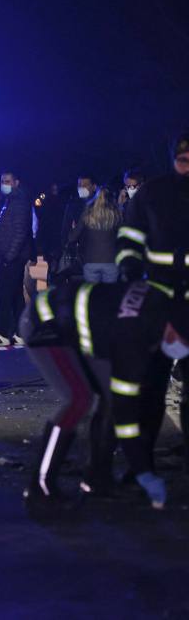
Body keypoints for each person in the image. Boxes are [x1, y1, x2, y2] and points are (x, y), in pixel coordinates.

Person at [20, 281, 189, 510]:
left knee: (108, 399)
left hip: (77, 324)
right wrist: (144, 473)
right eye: (182, 341)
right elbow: (125, 414)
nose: (180, 349)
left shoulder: (161, 304)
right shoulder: (134, 337)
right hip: (46, 324)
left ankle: (97, 480)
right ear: (171, 327)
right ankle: (40, 486)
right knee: (79, 399)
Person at [115, 132, 189, 475]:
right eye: (183, 160)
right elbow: (129, 237)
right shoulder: (153, 194)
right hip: (160, 304)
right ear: (172, 159)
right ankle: (140, 464)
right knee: (152, 386)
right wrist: (130, 268)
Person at [0, 172, 32, 347]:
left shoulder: (18, 203)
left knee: (3, 295)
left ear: (16, 182)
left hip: (12, 258)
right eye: (2, 181)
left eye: (8, 181)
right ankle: (21, 334)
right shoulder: (10, 200)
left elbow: (20, 232)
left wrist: (10, 255)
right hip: (9, 257)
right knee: (16, 296)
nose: (4, 184)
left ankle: (3, 334)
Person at [67, 188, 121, 283]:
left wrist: (71, 229)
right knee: (110, 291)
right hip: (111, 260)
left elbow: (72, 237)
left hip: (90, 260)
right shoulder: (116, 215)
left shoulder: (87, 214)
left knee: (93, 291)